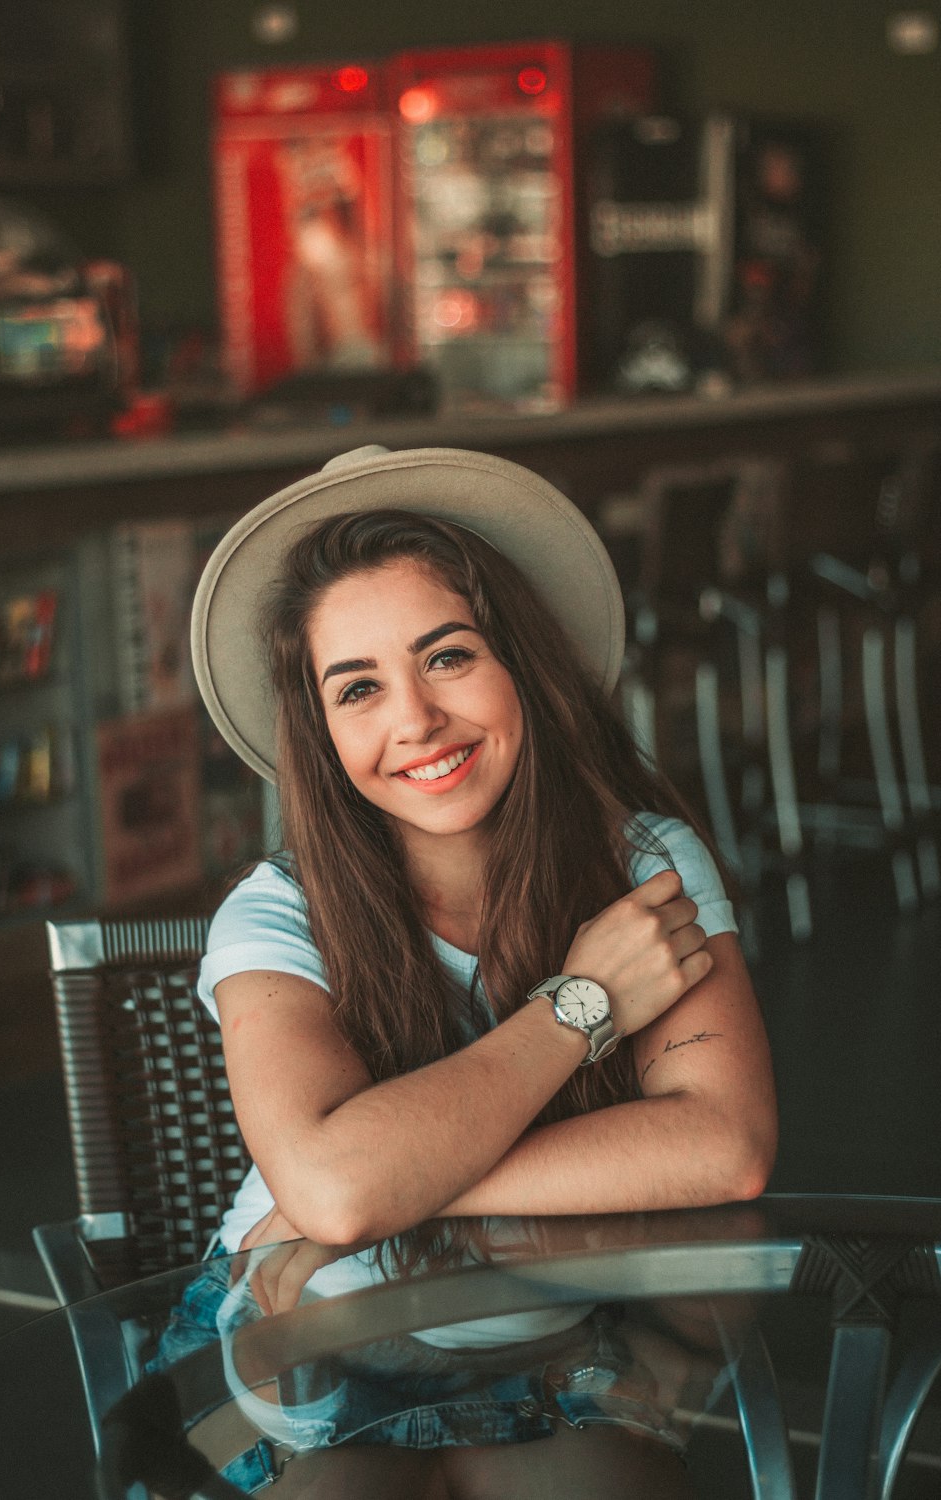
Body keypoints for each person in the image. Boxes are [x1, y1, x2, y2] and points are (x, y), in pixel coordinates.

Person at [160, 444, 777, 1496]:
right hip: (304, 1346)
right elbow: (333, 1189)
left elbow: (726, 1151)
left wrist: (389, 1186)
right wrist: (582, 1005)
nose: (413, 721)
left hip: (558, 1350)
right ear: (321, 729)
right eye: (358, 688)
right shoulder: (273, 914)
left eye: (447, 657)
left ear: (519, 663)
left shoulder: (643, 864)